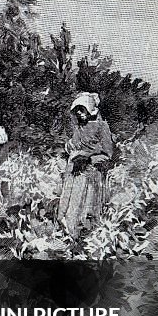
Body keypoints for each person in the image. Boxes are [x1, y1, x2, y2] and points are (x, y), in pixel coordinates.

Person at [58, 92, 115, 237]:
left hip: (90, 173)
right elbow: (73, 144)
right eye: (76, 110)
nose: (78, 112)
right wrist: (71, 151)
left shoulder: (102, 126)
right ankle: (67, 231)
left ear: (90, 109)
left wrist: (88, 159)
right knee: (68, 202)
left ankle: (82, 235)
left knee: (84, 206)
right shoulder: (79, 127)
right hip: (74, 171)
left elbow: (107, 154)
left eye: (82, 109)